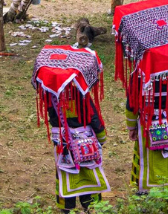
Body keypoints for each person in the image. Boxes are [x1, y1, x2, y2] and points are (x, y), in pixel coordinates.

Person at [116, 0, 168, 194]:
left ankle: (149, 195)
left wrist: (131, 127)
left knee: (151, 167)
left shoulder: (141, 73)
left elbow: (132, 104)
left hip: (150, 126)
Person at [33, 45, 110, 212]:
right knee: (89, 172)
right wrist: (102, 138)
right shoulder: (81, 94)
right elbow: (94, 118)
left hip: (62, 141)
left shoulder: (50, 95)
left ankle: (66, 208)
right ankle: (90, 206)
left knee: (64, 173)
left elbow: (52, 118)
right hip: (85, 139)